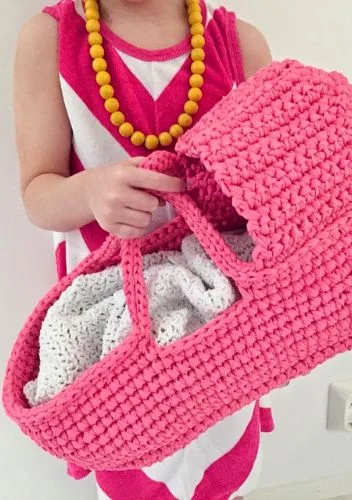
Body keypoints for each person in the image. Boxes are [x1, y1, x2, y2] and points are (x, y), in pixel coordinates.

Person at [14, 1, 273, 498]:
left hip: (219, 325)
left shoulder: (239, 45)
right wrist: (89, 192)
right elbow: (38, 194)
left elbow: (268, 198)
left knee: (224, 470)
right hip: (115, 336)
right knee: (131, 475)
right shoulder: (49, 41)